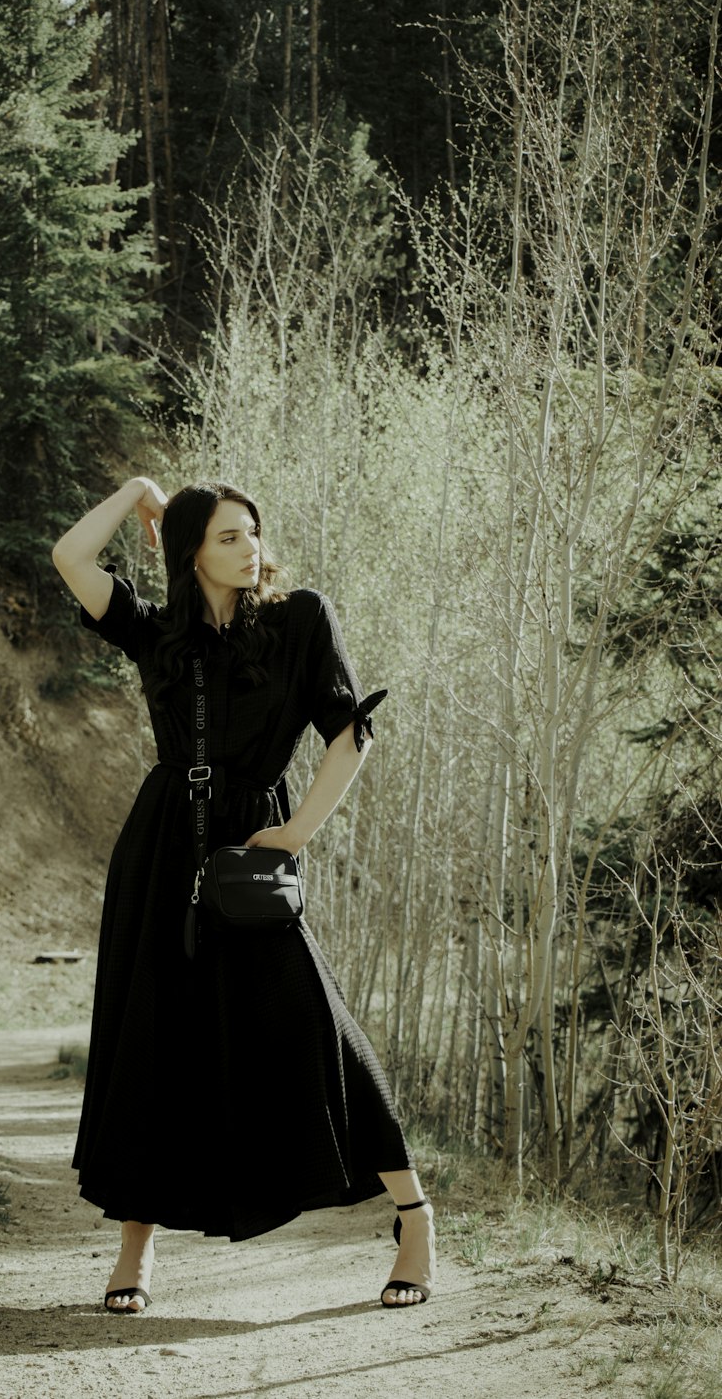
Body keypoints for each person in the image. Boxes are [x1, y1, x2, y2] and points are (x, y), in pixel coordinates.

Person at [51, 475, 436, 1313]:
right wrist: (138, 492)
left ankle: (413, 1215)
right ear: (189, 549)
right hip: (159, 856)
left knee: (311, 1018)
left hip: (251, 855)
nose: (249, 547)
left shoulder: (299, 619)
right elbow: (70, 555)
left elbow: (349, 734)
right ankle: (135, 1255)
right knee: (153, 1042)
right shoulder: (159, 635)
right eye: (227, 535)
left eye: (253, 532)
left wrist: (297, 832)